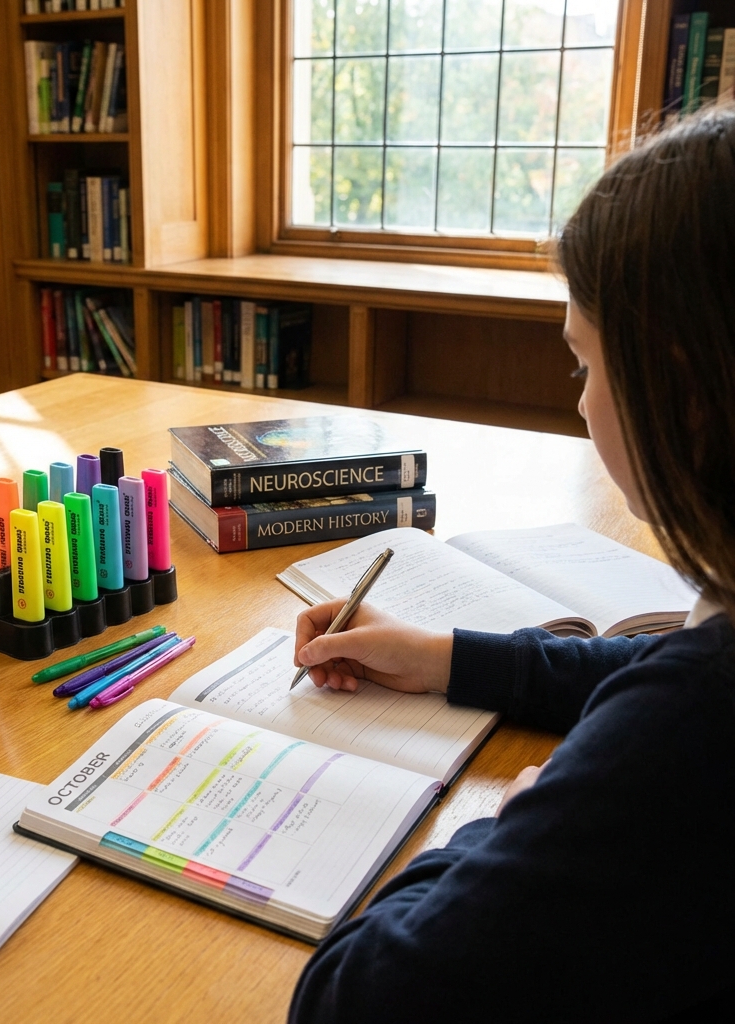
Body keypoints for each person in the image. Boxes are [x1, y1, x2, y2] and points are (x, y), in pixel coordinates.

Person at [289, 108, 735, 1024]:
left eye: (584, 366)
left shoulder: (688, 728)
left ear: (682, 392)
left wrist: (504, 825)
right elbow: (661, 666)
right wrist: (446, 657)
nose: (581, 405)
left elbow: (347, 999)